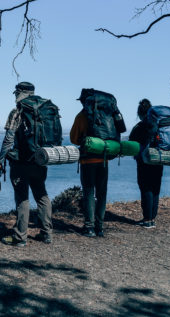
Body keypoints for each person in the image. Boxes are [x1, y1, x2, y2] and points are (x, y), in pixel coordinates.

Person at [0, 82, 53, 246]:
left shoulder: (17, 111)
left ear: (20, 94)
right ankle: (47, 233)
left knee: (22, 198)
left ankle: (20, 237)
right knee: (42, 195)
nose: (14, 97)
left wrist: (0, 162)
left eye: (16, 94)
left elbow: (8, 140)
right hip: (41, 160)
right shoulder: (44, 110)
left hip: (21, 162)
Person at [70, 96, 108, 237]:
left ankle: (89, 227)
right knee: (102, 193)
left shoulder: (81, 116)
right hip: (104, 159)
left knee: (89, 192)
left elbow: (74, 138)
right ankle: (100, 227)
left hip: (87, 160)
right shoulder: (106, 114)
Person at [129, 99, 163, 229]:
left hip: (144, 162)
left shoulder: (139, 127)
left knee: (146, 188)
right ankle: (152, 218)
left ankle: (147, 219)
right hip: (158, 160)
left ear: (139, 113)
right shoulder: (159, 124)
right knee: (155, 188)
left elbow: (132, 144)